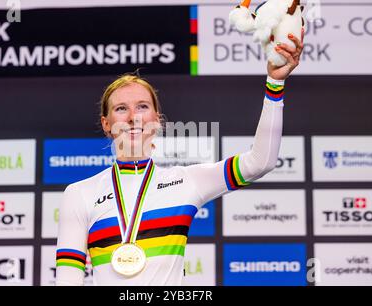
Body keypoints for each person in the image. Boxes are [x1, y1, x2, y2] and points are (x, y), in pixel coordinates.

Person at [55, 30, 305, 286]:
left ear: (157, 120)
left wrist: (275, 85)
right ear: (106, 124)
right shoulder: (79, 193)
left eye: (142, 106)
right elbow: (67, 280)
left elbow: (260, 162)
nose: (133, 117)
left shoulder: (187, 181)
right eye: (121, 109)